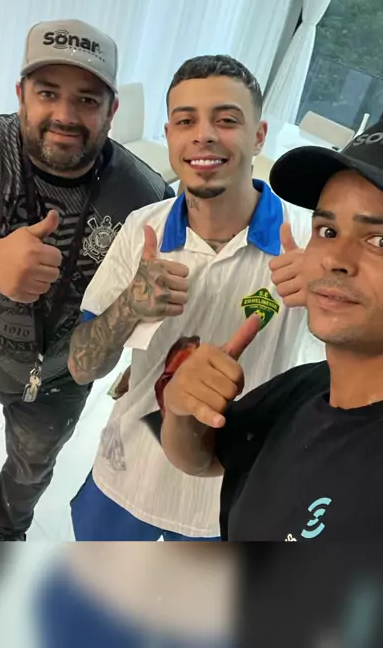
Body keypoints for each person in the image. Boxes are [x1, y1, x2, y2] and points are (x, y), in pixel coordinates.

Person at [68, 54, 321, 541]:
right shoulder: (143, 228)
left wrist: (327, 298)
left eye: (226, 120)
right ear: (169, 136)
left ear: (259, 135)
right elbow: (82, 367)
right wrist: (129, 308)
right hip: (128, 475)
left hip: (233, 496)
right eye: (186, 121)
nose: (203, 135)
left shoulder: (309, 241)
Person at [0, 18, 173, 541]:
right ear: (21, 94)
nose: (65, 116)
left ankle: (6, 540)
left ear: (112, 110)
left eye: (87, 100)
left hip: (60, 382)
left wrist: (144, 362)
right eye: (48, 93)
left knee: (28, 477)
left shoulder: (146, 196)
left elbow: (159, 288)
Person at [161, 110, 383, 541]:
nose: (334, 258)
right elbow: (201, 460)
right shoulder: (305, 389)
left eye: (382, 241)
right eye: (327, 230)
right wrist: (182, 409)